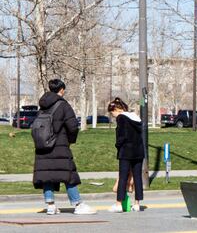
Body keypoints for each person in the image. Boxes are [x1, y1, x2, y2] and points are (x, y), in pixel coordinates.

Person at [33, 78, 96, 215]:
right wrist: (70, 140)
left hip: (43, 146)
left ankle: (50, 205)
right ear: (61, 90)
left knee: (47, 175)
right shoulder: (63, 105)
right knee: (68, 174)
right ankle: (78, 204)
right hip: (59, 145)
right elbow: (72, 126)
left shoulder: (43, 106)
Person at [107, 97, 145, 212]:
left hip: (126, 151)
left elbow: (121, 136)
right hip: (138, 151)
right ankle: (137, 204)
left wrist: (117, 145)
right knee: (137, 177)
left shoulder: (121, 118)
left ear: (116, 109)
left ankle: (118, 204)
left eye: (112, 112)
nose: (112, 115)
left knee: (123, 177)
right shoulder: (135, 118)